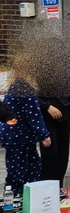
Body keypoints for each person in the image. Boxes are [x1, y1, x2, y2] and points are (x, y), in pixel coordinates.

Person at [1, 66, 50, 205]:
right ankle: (15, 197)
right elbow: (33, 114)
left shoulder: (17, 85)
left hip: (21, 136)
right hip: (18, 136)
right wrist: (44, 135)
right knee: (19, 168)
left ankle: (25, 196)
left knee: (30, 165)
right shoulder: (24, 88)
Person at [38, 92, 70, 188]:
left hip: (65, 113)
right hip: (46, 115)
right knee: (50, 153)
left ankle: (58, 187)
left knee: (62, 154)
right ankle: (44, 187)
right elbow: (30, 95)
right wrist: (46, 107)